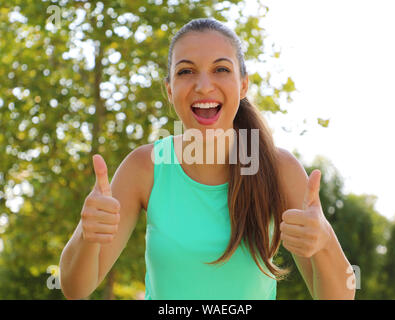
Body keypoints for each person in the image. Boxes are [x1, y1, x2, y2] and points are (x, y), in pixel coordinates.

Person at [59, 18, 356, 300]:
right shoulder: (145, 167)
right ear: (169, 89)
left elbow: (341, 294)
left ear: (243, 85)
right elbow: (75, 287)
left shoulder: (279, 169)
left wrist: (324, 241)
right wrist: (88, 234)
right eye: (186, 71)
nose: (203, 86)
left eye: (221, 69)